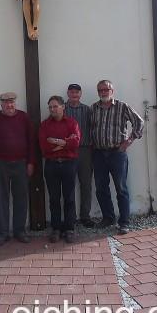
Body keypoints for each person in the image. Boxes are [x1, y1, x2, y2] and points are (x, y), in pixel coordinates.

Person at [89, 80, 144, 235]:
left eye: (106, 89)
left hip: (117, 153)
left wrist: (129, 141)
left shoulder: (122, 106)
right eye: (100, 89)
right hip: (99, 153)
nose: (103, 92)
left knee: (121, 188)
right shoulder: (93, 108)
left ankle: (124, 222)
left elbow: (139, 122)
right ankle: (108, 218)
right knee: (101, 188)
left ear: (112, 90)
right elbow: (91, 128)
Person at [0, 92, 35, 246]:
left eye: (11, 102)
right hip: (0, 164)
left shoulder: (24, 117)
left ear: (15, 103)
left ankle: (20, 231)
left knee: (21, 198)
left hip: (21, 163)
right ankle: (3, 233)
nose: (9, 105)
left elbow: (31, 141)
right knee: (1, 199)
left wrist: (31, 162)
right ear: (1, 104)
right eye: (6, 102)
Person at [39, 95, 80, 244]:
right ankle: (56, 228)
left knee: (69, 197)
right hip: (51, 164)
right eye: (50, 107)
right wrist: (64, 143)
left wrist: (56, 142)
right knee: (54, 198)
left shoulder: (72, 122)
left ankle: (70, 228)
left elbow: (75, 142)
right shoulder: (45, 125)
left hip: (69, 164)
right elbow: (44, 146)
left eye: (55, 106)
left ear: (63, 107)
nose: (52, 109)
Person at [65, 83, 95, 228]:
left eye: (77, 92)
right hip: (67, 151)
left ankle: (85, 216)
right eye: (71, 92)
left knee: (86, 184)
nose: (74, 94)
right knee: (68, 185)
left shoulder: (88, 110)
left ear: (80, 94)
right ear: (68, 93)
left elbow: (94, 128)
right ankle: (70, 217)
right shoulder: (61, 109)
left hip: (85, 151)